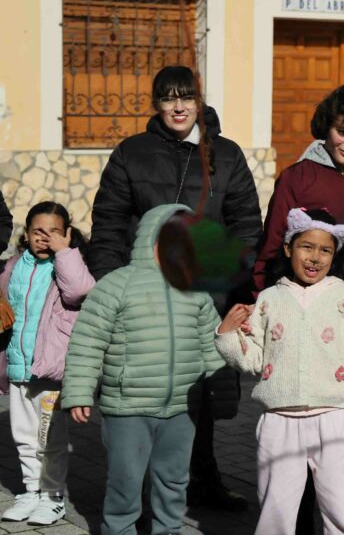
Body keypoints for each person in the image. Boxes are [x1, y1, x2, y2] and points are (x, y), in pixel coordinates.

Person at [86, 65, 262, 511]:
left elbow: (245, 225)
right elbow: (108, 224)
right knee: (142, 396)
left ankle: (202, 478)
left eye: (187, 97)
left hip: (202, 298)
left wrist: (222, 286)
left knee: (199, 394)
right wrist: (113, 286)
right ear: (156, 104)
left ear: (199, 102)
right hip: (141, 300)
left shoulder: (227, 154)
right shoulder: (132, 153)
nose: (178, 107)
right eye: (168, 98)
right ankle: (139, 495)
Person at [216, 207, 344, 535]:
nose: (315, 258)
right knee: (275, 512)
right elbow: (254, 361)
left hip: (333, 420)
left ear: (334, 255)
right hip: (279, 423)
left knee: (341, 510)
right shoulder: (269, 299)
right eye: (306, 247)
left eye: (325, 250)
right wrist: (228, 336)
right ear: (288, 248)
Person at [63, 204, 225, 535]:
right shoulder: (116, 285)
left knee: (173, 480)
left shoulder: (195, 291)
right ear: (151, 238)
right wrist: (79, 391)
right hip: (128, 408)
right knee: (125, 481)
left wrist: (222, 391)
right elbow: (87, 341)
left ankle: (168, 530)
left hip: (182, 407)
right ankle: (120, 528)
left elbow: (212, 344)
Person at [0, 202, 93, 526]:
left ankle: (52, 497)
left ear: (67, 234)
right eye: (38, 231)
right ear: (26, 234)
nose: (45, 238)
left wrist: (64, 252)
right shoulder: (13, 266)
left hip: (50, 371)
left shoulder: (67, 265)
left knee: (49, 439)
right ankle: (31, 491)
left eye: (54, 232)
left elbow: (80, 291)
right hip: (18, 368)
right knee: (24, 437)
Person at [253, 84, 344, 292]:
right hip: (307, 293)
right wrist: (260, 296)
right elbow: (273, 244)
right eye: (343, 132)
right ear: (327, 126)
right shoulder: (297, 178)